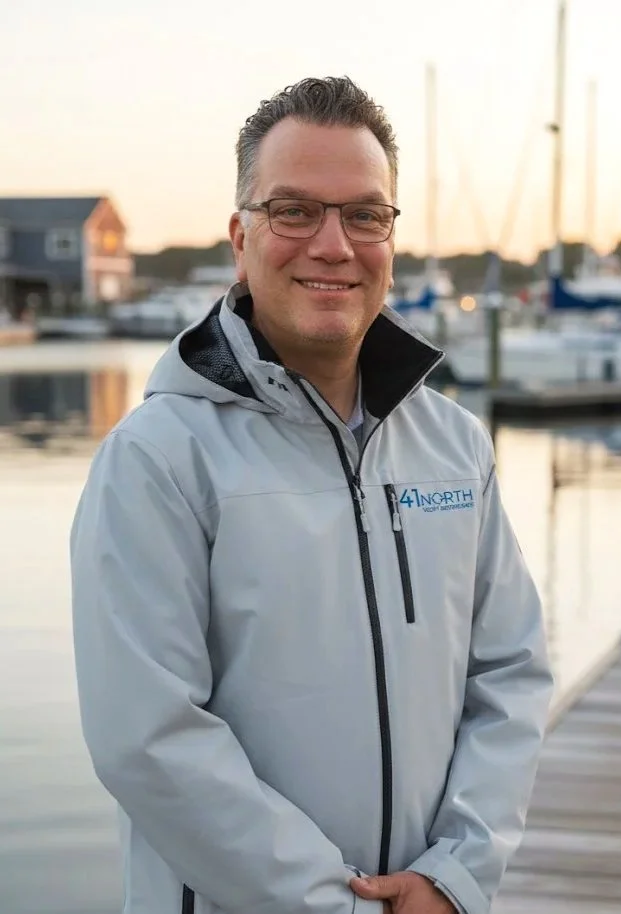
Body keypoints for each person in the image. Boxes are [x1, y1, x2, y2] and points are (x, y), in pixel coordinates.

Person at [70, 76, 553, 914]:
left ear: (390, 236)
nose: (332, 244)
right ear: (239, 236)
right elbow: (147, 739)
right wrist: (336, 903)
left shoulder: (453, 446)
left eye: (364, 214)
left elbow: (509, 672)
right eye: (294, 210)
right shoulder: (158, 459)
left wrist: (456, 875)